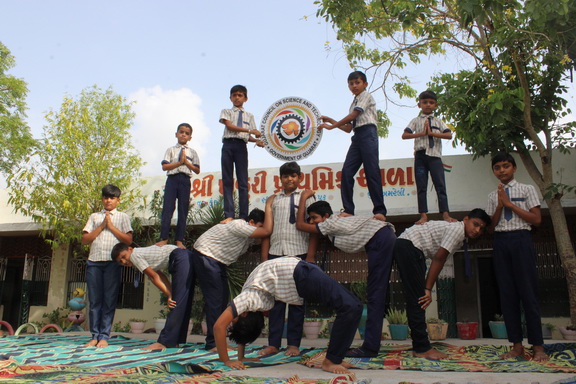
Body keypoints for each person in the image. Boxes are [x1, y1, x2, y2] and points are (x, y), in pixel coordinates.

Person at [213, 257, 362, 374]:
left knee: (354, 306)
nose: (231, 319)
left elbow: (219, 326)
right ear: (244, 314)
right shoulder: (250, 299)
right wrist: (235, 359)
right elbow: (232, 328)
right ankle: (332, 360)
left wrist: (230, 359)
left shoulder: (248, 299)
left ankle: (335, 358)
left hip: (301, 273)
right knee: (350, 307)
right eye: (235, 319)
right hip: (302, 275)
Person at [294, 190, 396, 357]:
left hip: (381, 239)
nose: (312, 222)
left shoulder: (331, 223)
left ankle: (369, 348)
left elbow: (300, 226)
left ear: (326, 216)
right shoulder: (336, 224)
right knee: (376, 292)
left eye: (314, 218)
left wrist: (304, 198)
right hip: (381, 239)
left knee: (375, 294)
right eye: (310, 219)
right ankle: (371, 345)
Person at [393, 208, 491, 359]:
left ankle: (420, 346)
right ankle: (422, 348)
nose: (477, 230)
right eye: (475, 224)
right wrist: (427, 288)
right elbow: (439, 258)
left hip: (410, 247)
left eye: (481, 228)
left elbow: (439, 258)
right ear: (466, 219)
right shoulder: (457, 229)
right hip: (410, 246)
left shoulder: (458, 233)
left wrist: (426, 287)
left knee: (417, 299)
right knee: (419, 299)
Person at [486, 152, 548, 361]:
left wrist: (511, 204)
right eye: (497, 167)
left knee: (528, 294)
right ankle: (516, 345)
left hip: (521, 239)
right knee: (507, 295)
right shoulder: (491, 196)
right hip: (501, 242)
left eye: (505, 166)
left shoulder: (527, 189)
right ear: (494, 171)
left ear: (514, 168)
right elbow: (491, 228)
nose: (501, 170)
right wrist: (500, 206)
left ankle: (538, 346)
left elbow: (537, 219)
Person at [190, 204, 273, 351]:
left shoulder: (246, 236)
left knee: (222, 298)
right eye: (258, 226)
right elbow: (266, 231)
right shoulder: (240, 225)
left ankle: (217, 340)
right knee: (215, 299)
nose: (259, 231)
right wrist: (268, 205)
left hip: (216, 261)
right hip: (206, 255)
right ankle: (213, 343)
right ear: (252, 222)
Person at [259, 161, 318, 357]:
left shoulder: (307, 198)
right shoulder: (273, 200)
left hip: (299, 253)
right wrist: (264, 257)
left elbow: (314, 230)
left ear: (300, 178)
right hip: (276, 253)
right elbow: (267, 231)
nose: (289, 179)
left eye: (293, 175)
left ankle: (293, 345)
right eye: (286, 176)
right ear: (280, 179)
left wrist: (310, 256)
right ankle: (273, 344)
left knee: (297, 302)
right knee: (276, 302)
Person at [319, 70, 386, 221]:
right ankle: (348, 209)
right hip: (357, 136)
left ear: (365, 84)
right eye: (351, 83)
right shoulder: (353, 103)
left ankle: (380, 210)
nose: (354, 86)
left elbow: (354, 116)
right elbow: (349, 128)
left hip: (368, 133)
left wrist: (332, 125)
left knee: (371, 171)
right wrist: (330, 121)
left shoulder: (366, 96)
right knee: (347, 172)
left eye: (357, 82)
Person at [111, 243, 192, 350]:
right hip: (186, 256)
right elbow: (161, 276)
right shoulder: (142, 254)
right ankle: (174, 341)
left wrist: (169, 295)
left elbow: (153, 277)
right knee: (182, 300)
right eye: (120, 262)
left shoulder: (135, 255)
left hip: (180, 257)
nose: (124, 262)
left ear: (130, 249)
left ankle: (166, 342)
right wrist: (171, 294)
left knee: (175, 303)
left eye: (123, 257)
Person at [81, 184, 133, 348]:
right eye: (105, 197)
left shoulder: (123, 217)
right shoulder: (94, 217)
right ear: (102, 199)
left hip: (112, 264)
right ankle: (94, 336)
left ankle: (104, 336)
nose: (108, 200)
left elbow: (128, 240)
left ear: (118, 200)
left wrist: (111, 227)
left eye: (112, 197)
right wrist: (102, 226)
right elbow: (85, 239)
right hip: (94, 262)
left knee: (109, 300)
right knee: (95, 301)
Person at [402, 90, 456, 225]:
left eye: (431, 103)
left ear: (435, 105)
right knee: (421, 186)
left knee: (440, 185)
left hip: (435, 156)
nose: (428, 105)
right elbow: (405, 135)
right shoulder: (415, 121)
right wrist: (421, 133)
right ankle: (423, 215)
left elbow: (449, 135)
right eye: (425, 102)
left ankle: (445, 214)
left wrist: (432, 133)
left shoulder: (438, 121)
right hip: (420, 156)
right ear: (419, 105)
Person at [219, 85, 264, 222]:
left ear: (246, 98)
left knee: (243, 182)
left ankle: (243, 216)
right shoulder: (226, 111)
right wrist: (250, 132)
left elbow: (247, 136)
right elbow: (230, 126)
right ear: (230, 97)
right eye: (234, 95)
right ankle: (229, 215)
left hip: (241, 147)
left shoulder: (249, 116)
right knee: (227, 180)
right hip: (228, 145)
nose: (237, 97)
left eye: (240, 95)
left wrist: (256, 141)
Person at [156, 123, 200, 249]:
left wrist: (186, 163)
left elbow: (196, 169)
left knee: (183, 210)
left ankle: (179, 240)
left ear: (190, 137)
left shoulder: (192, 152)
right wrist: (179, 162)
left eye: (187, 133)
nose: (183, 135)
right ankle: (164, 238)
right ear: (176, 134)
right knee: (168, 209)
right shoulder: (171, 150)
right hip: (172, 179)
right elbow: (165, 166)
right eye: (181, 132)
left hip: (185, 180)